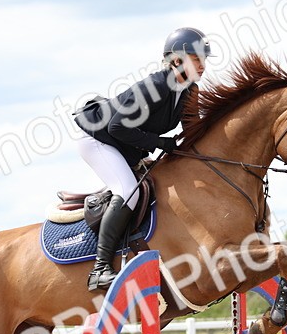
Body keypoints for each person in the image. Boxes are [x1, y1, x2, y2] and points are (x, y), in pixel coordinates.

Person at [73, 27, 209, 290]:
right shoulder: (156, 86)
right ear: (177, 60)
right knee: (128, 191)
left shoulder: (189, 90)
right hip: (96, 137)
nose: (202, 65)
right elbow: (117, 127)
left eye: (204, 58)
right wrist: (160, 143)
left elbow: (194, 130)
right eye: (196, 58)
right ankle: (100, 269)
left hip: (121, 142)